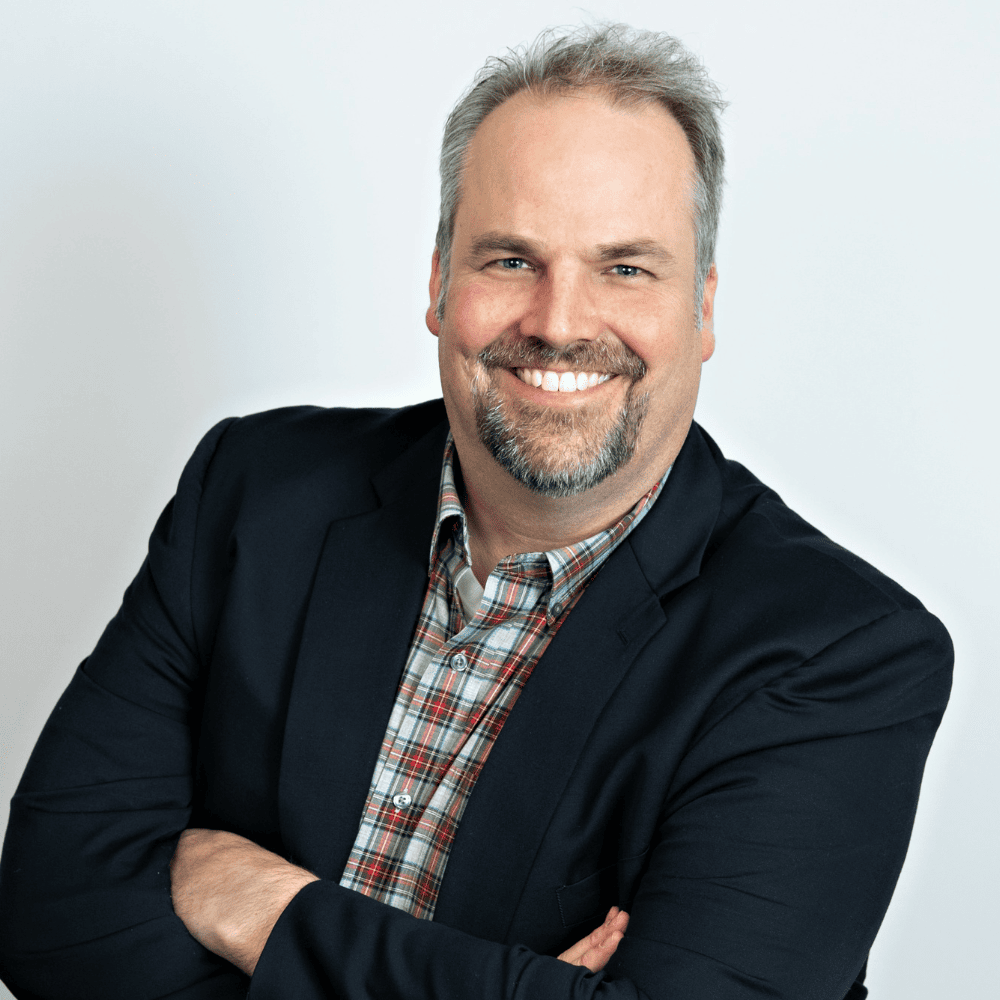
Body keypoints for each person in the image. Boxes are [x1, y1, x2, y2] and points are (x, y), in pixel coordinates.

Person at [0, 23, 951, 1000]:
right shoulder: (253, 491)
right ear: (437, 282)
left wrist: (266, 909)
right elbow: (47, 920)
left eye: (625, 267)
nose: (560, 320)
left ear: (701, 310)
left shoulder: (839, 653)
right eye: (508, 259)